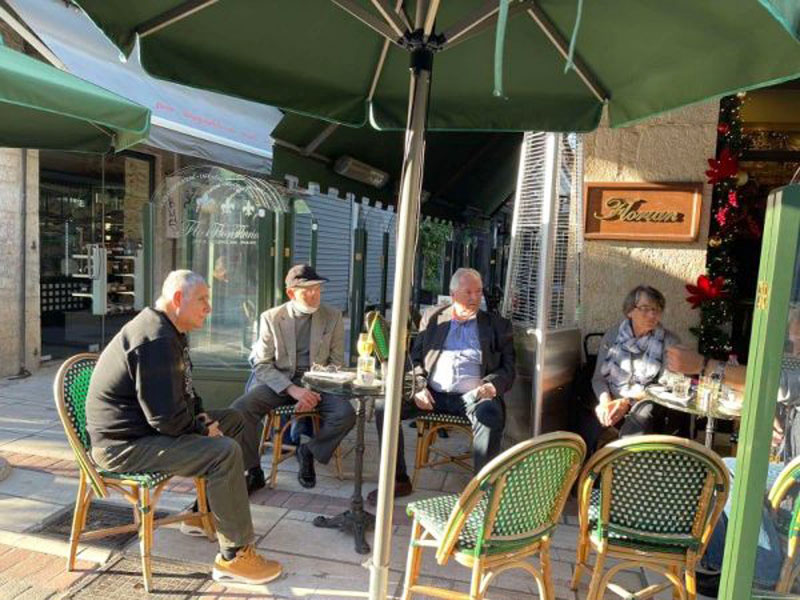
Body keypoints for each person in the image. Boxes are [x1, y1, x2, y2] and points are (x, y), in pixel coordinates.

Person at [86, 270, 282, 585]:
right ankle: (235, 556)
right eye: (202, 300)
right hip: (122, 447)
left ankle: (201, 514)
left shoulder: (171, 331)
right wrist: (204, 431)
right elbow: (165, 419)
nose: (209, 308)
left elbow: (187, 394)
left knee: (234, 420)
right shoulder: (156, 339)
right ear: (178, 299)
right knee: (223, 452)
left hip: (145, 432)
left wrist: (203, 419)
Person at [665, 310, 800, 596]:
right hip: (792, 469)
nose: (795, 350)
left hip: (796, 476)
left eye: (799, 342)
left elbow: (774, 381)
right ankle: (718, 564)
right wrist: (776, 414)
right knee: (719, 468)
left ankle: (762, 572)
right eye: (792, 342)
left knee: (730, 469)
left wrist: (704, 365)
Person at [367, 267, 515, 504]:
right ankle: (398, 479)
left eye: (478, 292)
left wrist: (491, 386)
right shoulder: (433, 318)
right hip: (432, 394)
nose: (475, 298)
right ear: (453, 294)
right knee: (385, 405)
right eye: (468, 292)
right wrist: (418, 387)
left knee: (490, 413)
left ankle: (482, 494)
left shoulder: (497, 325)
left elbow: (508, 369)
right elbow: (415, 359)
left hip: (474, 397)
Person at [232, 264, 356, 491]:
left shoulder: (333, 316)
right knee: (240, 409)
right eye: (308, 290)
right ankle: (253, 470)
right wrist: (293, 389)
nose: (315, 294)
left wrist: (312, 391)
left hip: (319, 382)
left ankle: (309, 451)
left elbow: (336, 363)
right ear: (291, 293)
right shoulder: (272, 318)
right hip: (280, 381)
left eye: (318, 288)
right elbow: (262, 364)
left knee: (346, 414)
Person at [577, 285, 686, 453]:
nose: (652, 315)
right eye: (645, 309)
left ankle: (627, 462)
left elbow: (665, 387)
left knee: (642, 415)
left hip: (645, 400)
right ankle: (588, 461)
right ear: (630, 311)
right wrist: (606, 402)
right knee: (590, 416)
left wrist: (626, 402)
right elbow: (599, 378)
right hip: (612, 396)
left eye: (656, 310)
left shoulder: (669, 341)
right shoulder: (613, 335)